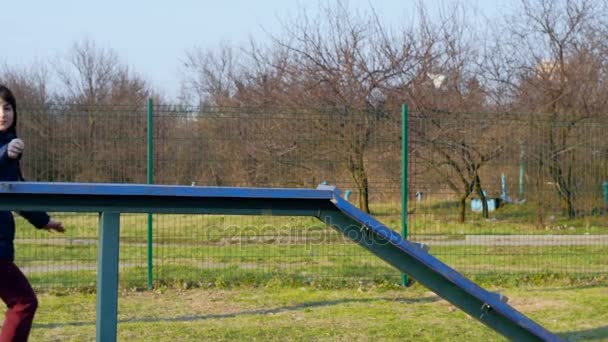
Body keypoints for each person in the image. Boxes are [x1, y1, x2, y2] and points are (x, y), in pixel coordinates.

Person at [0, 85, 64, 342]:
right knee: (23, 302)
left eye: (7, 107)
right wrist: (5, 154)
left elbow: (17, 195)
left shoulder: (10, 144)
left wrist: (44, 220)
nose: (2, 113)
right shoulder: (8, 148)